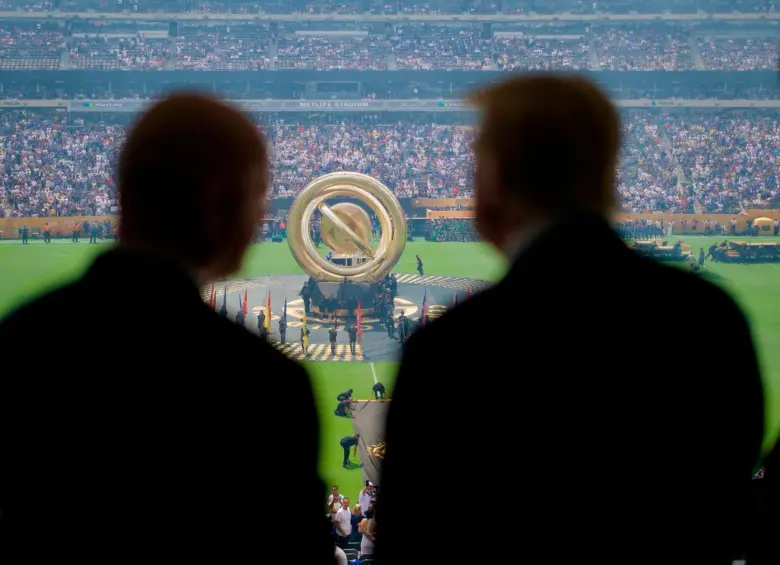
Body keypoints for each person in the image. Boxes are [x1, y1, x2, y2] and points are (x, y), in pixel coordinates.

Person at [377, 74, 764, 565]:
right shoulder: (708, 319)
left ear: (496, 175)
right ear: (603, 168)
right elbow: (729, 507)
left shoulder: (451, 348)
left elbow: (410, 540)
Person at [0, 93, 334, 564]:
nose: (261, 218)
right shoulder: (262, 383)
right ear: (220, 203)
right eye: (260, 196)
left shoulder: (19, 342)